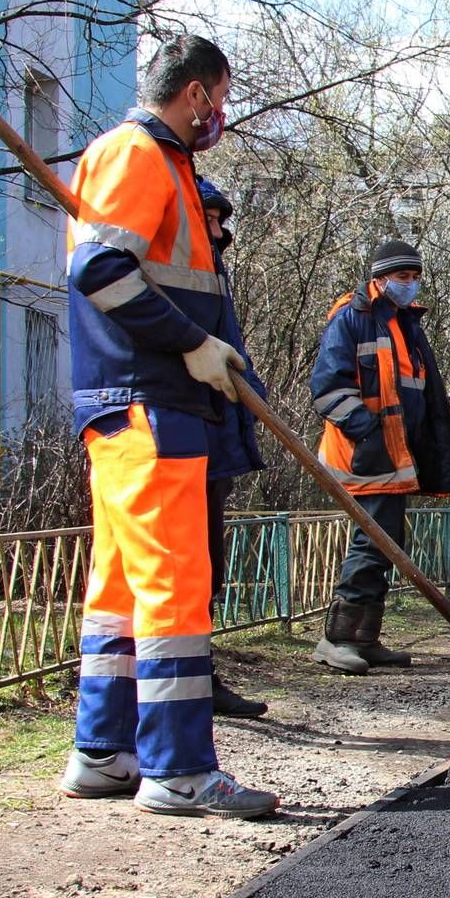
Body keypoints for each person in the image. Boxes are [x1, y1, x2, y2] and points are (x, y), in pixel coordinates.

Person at [56, 36, 280, 819]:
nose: (219, 115)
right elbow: (98, 271)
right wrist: (193, 344)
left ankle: (102, 753)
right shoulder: (136, 154)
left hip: (139, 407)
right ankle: (180, 769)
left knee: (119, 590)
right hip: (150, 405)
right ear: (192, 94)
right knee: (174, 589)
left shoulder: (169, 169)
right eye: (217, 99)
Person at [311, 240, 450, 675]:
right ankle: (337, 638)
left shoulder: (404, 325)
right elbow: (329, 387)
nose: (409, 285)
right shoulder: (353, 320)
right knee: (370, 545)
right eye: (402, 277)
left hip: (395, 456)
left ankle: (364, 637)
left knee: (386, 546)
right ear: (378, 279)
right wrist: (367, 433)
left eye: (414, 278)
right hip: (363, 456)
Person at [195, 178, 268, 719]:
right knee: (185, 570)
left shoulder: (212, 277)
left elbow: (231, 351)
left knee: (209, 565)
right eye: (209, 218)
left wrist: (251, 398)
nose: (220, 231)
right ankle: (186, 681)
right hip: (180, 433)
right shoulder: (179, 278)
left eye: (222, 220)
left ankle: (201, 673)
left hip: (213, 433)